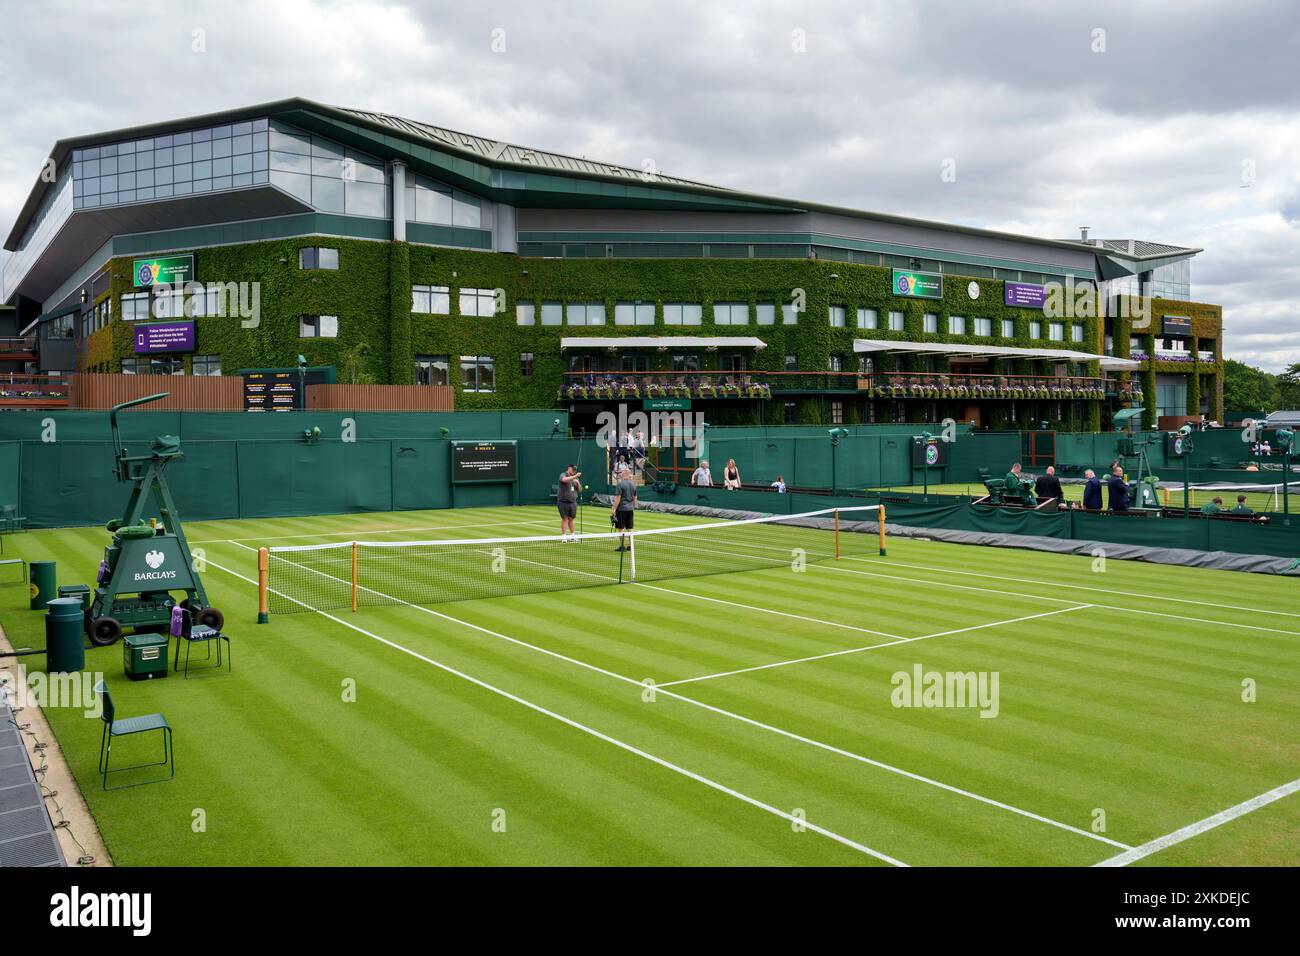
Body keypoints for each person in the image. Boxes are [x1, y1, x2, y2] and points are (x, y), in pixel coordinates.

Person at [610, 466, 637, 552]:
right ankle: (631, 545)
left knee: (621, 528)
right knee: (630, 527)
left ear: (624, 474)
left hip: (621, 509)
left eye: (621, 473)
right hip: (630, 509)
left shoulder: (620, 484)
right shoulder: (633, 484)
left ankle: (622, 546)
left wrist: (613, 509)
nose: (620, 474)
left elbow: (618, 498)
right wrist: (632, 506)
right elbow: (635, 498)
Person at [557, 464, 582, 541]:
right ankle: (564, 537)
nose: (574, 471)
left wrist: (577, 483)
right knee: (565, 519)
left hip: (573, 502)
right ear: (569, 468)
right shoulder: (563, 474)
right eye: (572, 469)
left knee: (571, 519)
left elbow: (580, 490)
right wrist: (574, 477)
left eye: (575, 470)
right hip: (563, 501)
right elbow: (564, 479)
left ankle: (572, 536)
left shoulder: (575, 478)